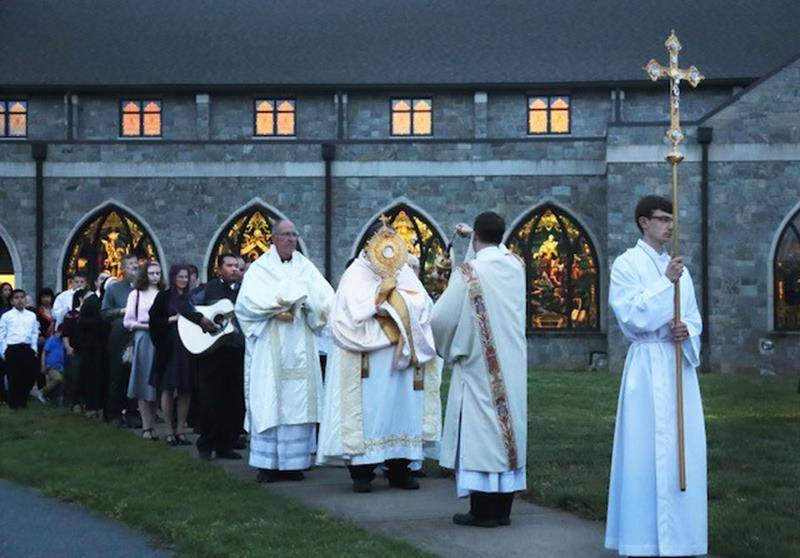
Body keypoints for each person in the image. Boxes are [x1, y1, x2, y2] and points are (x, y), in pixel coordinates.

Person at [604, 195, 706, 558]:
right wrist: (666, 284)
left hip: (676, 364)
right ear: (643, 222)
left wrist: (687, 331)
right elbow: (632, 315)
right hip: (646, 364)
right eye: (662, 219)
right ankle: (641, 539)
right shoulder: (627, 265)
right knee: (643, 449)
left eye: (672, 220)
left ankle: (682, 539)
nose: (669, 226)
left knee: (682, 450)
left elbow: (693, 316)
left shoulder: (680, 269)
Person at [317, 220, 442, 493]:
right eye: (382, 239)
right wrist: (381, 300)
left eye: (392, 239)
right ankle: (362, 473)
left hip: (402, 358)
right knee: (371, 415)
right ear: (370, 242)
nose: (388, 245)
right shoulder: (356, 273)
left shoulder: (404, 271)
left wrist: (397, 303)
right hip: (368, 362)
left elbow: (422, 303)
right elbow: (351, 309)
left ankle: (399, 470)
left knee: (401, 412)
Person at [430, 213, 528, 527]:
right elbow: (497, 252)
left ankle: (483, 511)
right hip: (511, 363)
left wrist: (446, 349)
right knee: (508, 427)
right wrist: (476, 234)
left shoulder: (469, 272)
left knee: (482, 432)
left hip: (477, 364)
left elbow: (440, 319)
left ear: (475, 239)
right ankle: (503, 509)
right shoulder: (516, 266)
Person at [235, 220, 334, 483]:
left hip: (300, 341)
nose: (291, 239)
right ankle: (267, 465)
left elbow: (325, 300)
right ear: (273, 238)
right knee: (269, 399)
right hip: (271, 344)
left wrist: (305, 301)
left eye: (294, 234)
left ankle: (294, 463)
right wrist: (283, 300)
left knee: (299, 403)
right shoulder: (260, 269)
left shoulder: (305, 267)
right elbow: (246, 304)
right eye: (286, 235)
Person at [178, 253, 245, 460]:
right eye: (230, 265)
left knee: (233, 399)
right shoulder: (208, 289)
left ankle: (226, 444)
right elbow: (184, 305)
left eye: (237, 266)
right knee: (210, 398)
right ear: (219, 269)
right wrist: (201, 319)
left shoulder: (246, 292)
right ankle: (206, 444)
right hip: (212, 352)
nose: (235, 269)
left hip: (235, 350)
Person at [148, 264, 193, 446]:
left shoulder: (192, 298)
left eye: (186, 277)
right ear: (174, 277)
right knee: (168, 388)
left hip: (188, 346)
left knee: (185, 389)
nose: (183, 280)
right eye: (180, 277)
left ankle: (181, 429)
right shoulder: (164, 297)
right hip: (169, 348)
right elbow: (154, 321)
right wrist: (171, 319)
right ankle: (168, 429)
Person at [123, 260, 163, 440]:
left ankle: (153, 424)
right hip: (144, 336)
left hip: (160, 337)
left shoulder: (162, 294)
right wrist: (145, 326)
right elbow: (128, 321)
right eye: (152, 273)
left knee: (156, 383)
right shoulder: (136, 294)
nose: (155, 277)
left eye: (158, 273)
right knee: (143, 381)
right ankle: (146, 427)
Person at [102, 254, 140, 427]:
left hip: (139, 335)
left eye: (136, 264)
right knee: (117, 375)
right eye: (131, 264)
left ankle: (133, 413)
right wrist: (121, 311)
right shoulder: (114, 289)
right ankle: (114, 414)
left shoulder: (143, 288)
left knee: (134, 376)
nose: (135, 267)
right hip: (119, 335)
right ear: (123, 268)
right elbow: (104, 313)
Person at [0, 289, 40, 409]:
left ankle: (23, 400)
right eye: (16, 298)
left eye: (22, 297)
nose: (20, 300)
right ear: (12, 301)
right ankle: (13, 402)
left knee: (28, 375)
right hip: (12, 348)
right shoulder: (6, 316)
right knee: (13, 376)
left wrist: (34, 348)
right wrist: (3, 351)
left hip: (27, 348)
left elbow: (34, 333)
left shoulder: (31, 316)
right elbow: (2, 334)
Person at [75, 286, 107, 418]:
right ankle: (91, 406)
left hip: (103, 345)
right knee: (91, 377)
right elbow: (82, 323)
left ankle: (100, 406)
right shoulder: (91, 301)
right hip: (91, 346)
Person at [61, 288, 88, 410]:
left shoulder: (91, 314)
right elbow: (65, 333)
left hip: (88, 350)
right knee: (73, 377)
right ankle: (73, 402)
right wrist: (68, 347)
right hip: (74, 349)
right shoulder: (71, 315)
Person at [40, 325, 66, 400]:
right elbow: (44, 353)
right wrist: (43, 365)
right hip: (51, 366)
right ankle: (42, 391)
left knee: (61, 384)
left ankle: (51, 397)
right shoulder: (51, 340)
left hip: (61, 366)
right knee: (58, 379)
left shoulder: (63, 341)